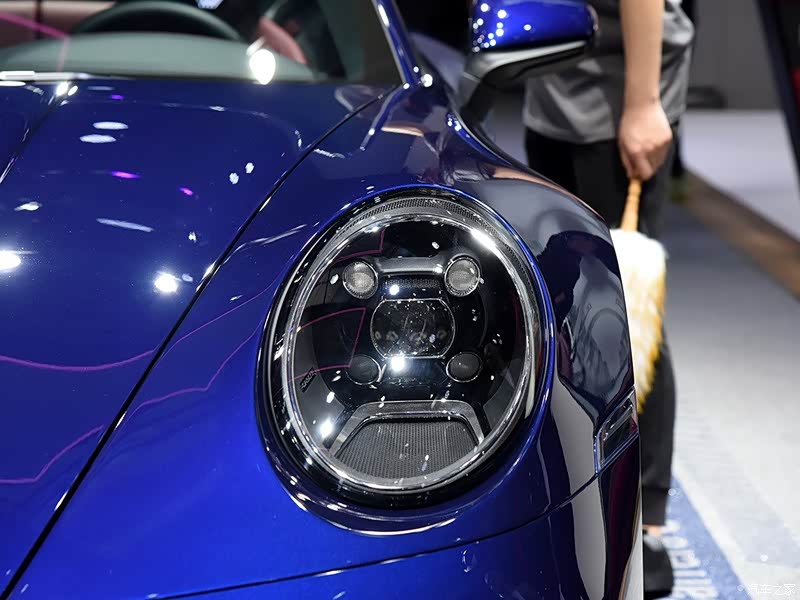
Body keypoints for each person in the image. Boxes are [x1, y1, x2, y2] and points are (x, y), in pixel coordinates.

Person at [524, 1, 694, 598]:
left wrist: (643, 104)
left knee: (625, 311)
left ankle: (647, 520)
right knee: (567, 305)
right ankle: (582, 491)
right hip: (554, 87)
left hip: (620, 95)